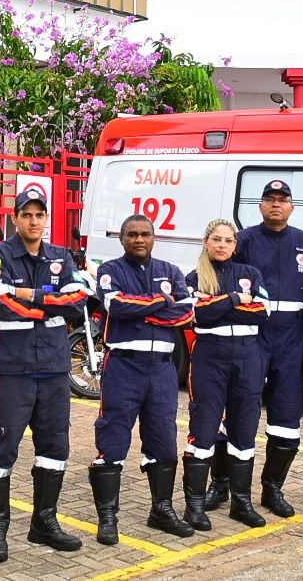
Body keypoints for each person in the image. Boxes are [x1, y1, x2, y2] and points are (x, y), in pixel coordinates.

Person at [0, 185, 88, 562]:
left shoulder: (61, 256)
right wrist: (49, 308)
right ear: (15, 218)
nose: (34, 220)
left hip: (54, 368)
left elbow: (78, 302)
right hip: (13, 369)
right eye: (27, 214)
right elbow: (1, 305)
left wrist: (32, 296)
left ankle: (44, 523)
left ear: (46, 218)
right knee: (1, 448)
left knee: (55, 447)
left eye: (39, 214)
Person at [89, 214, 195, 545]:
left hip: (162, 369)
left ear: (154, 237)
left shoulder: (171, 271)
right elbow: (116, 306)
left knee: (164, 440)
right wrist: (164, 304)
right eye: (132, 234)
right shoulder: (110, 271)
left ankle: (161, 511)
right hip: (124, 366)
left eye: (145, 234)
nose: (139, 239)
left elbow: (189, 311)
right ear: (122, 239)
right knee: (113, 439)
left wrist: (144, 309)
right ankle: (108, 518)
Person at [228, 179, 303, 518]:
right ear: (260, 206)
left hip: (292, 340)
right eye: (269, 199)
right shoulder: (244, 240)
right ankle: (227, 487)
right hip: (253, 336)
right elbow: (218, 273)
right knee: (240, 410)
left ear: (292, 207)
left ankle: (273, 488)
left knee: (286, 417)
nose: (275, 204)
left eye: (282, 199)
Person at [181, 219, 268, 531]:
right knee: (203, 430)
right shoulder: (193, 277)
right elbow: (196, 313)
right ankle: (194, 506)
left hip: (248, 357)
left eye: (228, 240)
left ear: (235, 244)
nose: (222, 245)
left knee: (244, 430)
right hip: (209, 357)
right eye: (216, 239)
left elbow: (262, 310)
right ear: (206, 242)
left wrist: (217, 305)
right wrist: (234, 300)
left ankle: (241, 503)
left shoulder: (250, 274)